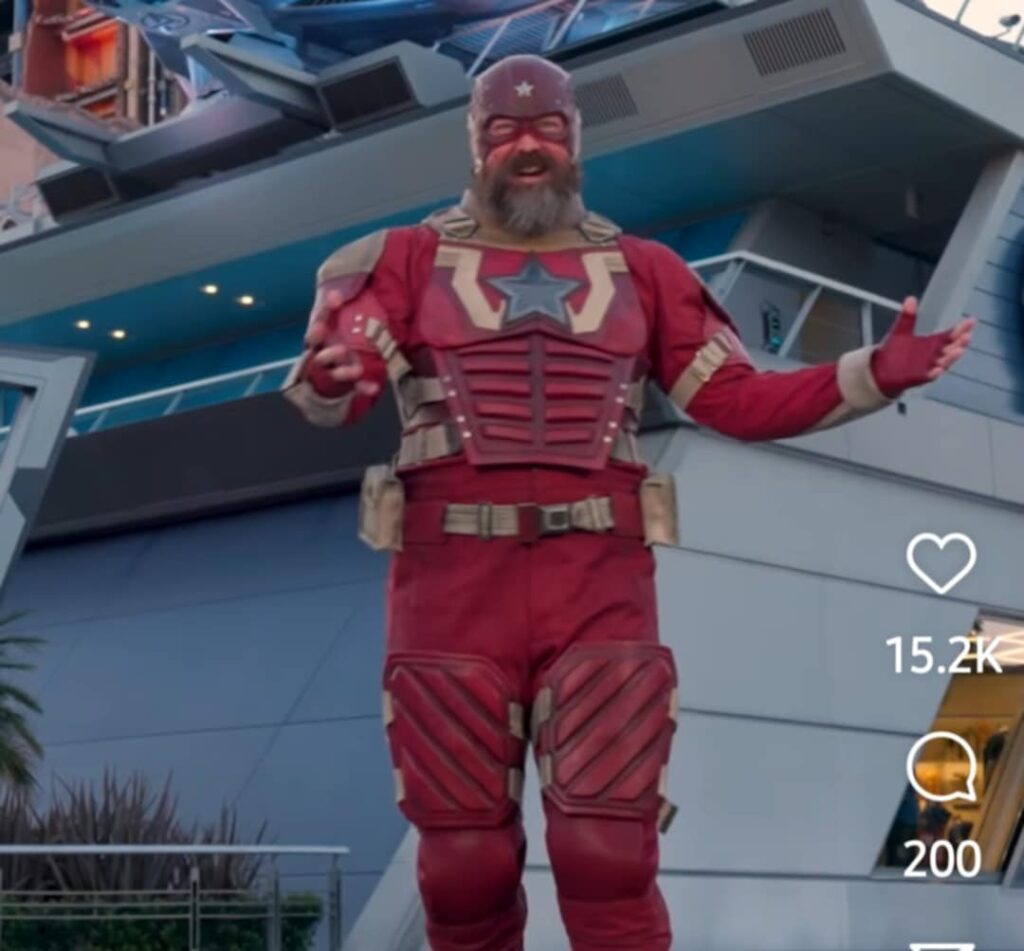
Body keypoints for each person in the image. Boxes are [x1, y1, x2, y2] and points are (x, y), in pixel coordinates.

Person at [283, 54, 974, 951]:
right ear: (476, 146)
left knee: (607, 849)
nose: (527, 148)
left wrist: (872, 372)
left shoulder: (646, 272)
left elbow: (735, 399)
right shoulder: (400, 261)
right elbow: (339, 374)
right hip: (448, 586)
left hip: (599, 585)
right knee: (461, 864)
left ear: (576, 140)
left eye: (547, 129)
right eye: (504, 131)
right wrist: (335, 375)